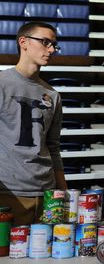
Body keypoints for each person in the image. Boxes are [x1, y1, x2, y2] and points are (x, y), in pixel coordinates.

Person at [0, 21, 67, 226]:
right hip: (9, 192)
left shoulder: (53, 95)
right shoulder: (2, 83)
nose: (52, 49)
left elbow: (53, 148)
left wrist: (63, 192)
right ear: (24, 42)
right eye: (45, 42)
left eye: (54, 44)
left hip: (48, 195)